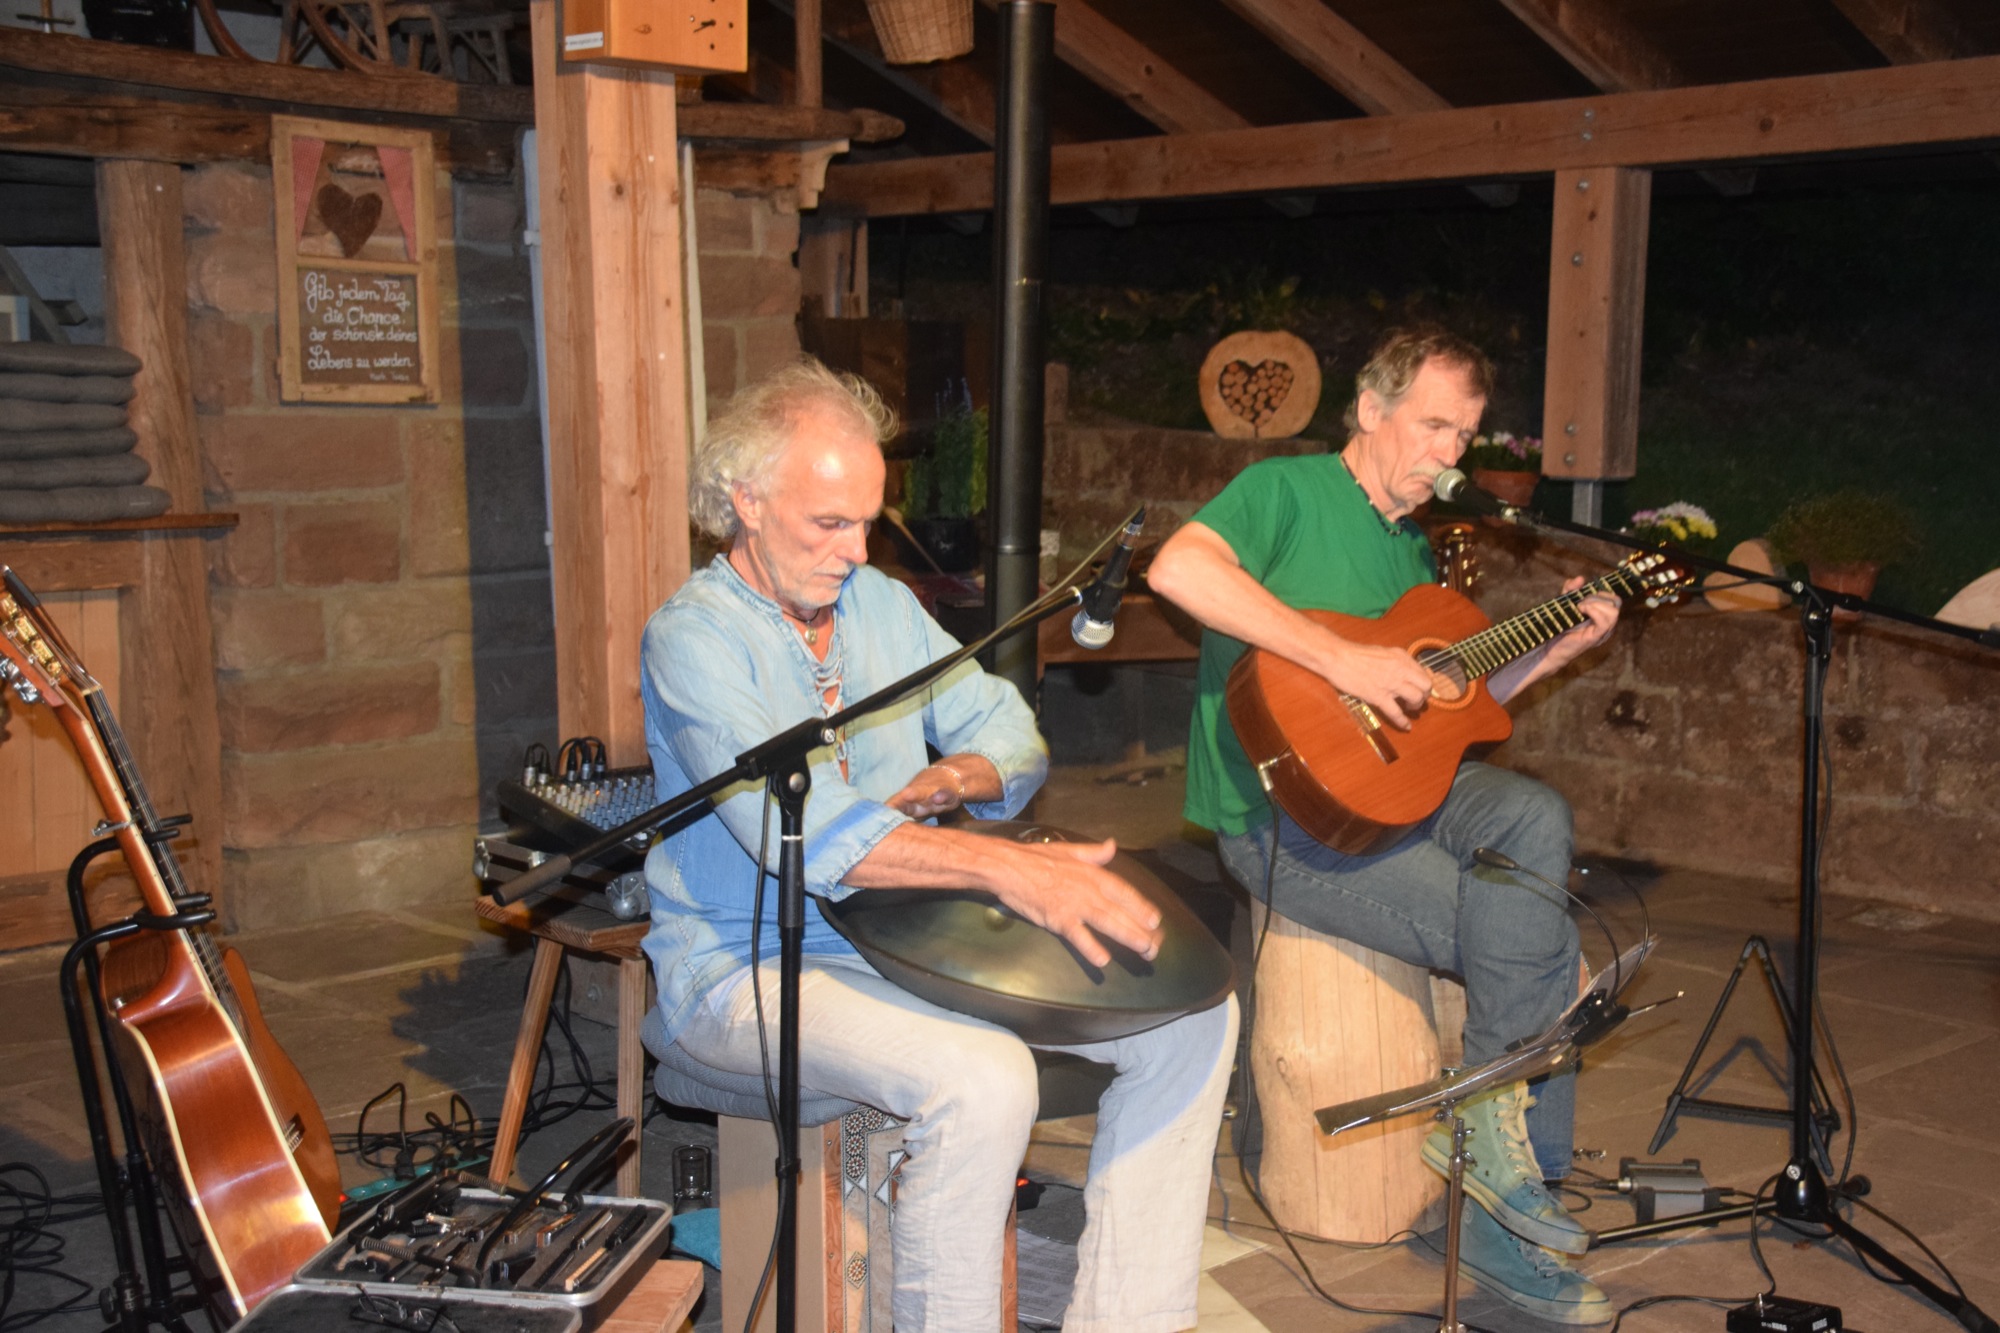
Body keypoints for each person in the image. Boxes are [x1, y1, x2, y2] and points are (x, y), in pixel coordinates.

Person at [638, 358, 1238, 1333]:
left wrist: (956, 778)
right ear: (743, 502)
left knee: (1193, 1018)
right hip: (742, 967)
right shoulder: (693, 639)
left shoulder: (875, 604)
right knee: (982, 1078)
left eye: (867, 521)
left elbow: (1006, 730)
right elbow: (800, 837)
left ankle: (1127, 1318)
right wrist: (1007, 865)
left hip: (902, 937)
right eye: (827, 523)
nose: (853, 549)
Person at [1147, 325, 1620, 1326]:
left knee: (1533, 812)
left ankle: (1492, 1161)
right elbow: (1179, 572)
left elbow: (1460, 713)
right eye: (1435, 424)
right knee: (1540, 945)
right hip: (1282, 823)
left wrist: (1562, 642)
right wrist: (1340, 660)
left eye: (1467, 432)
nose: (1452, 451)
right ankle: (1511, 1202)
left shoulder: (1417, 558)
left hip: (1401, 805)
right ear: (1369, 411)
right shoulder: (1285, 492)